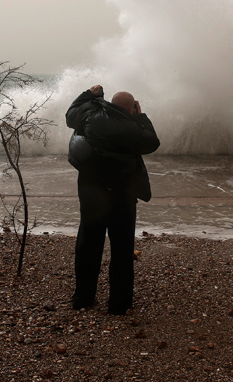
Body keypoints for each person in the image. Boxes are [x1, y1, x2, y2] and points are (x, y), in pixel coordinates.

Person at [66, 84, 160, 315]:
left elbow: (70, 114)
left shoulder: (90, 114)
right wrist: (142, 117)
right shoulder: (130, 126)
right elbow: (152, 142)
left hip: (91, 192)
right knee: (121, 247)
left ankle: (83, 298)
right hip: (121, 193)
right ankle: (118, 304)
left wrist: (90, 94)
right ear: (132, 108)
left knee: (88, 244)